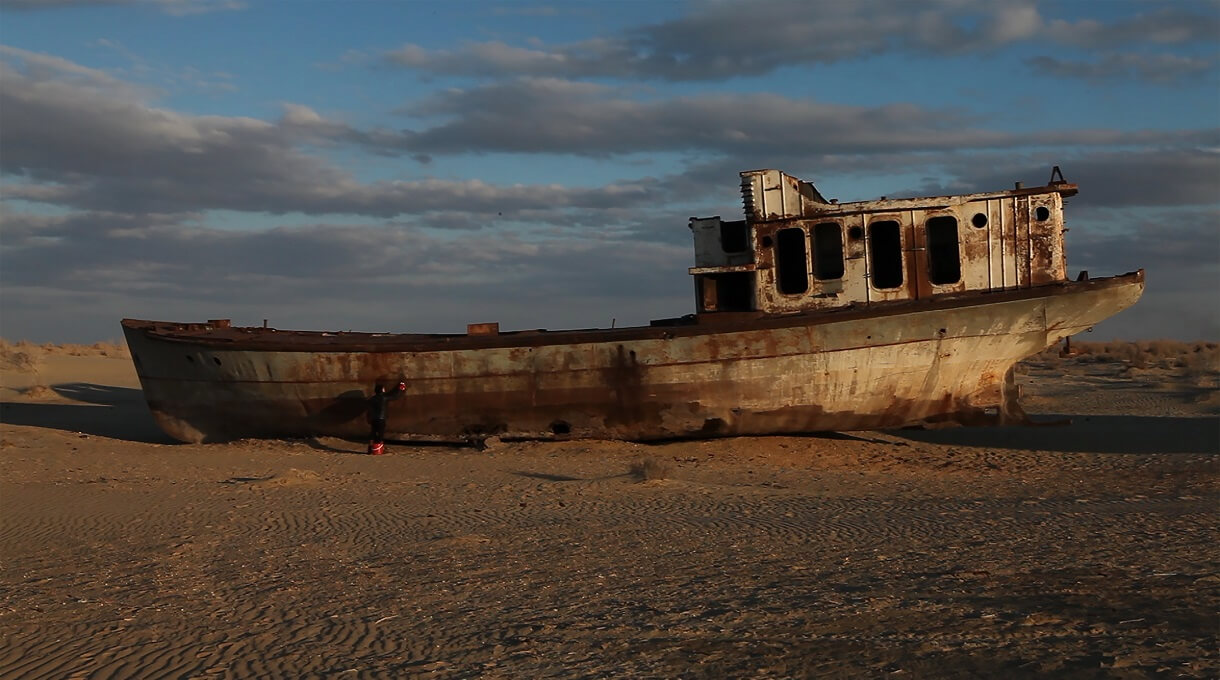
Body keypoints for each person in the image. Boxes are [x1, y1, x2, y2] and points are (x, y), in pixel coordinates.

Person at [367, 380, 407, 455]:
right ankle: (378, 450)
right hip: (381, 419)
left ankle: (370, 449)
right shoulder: (383, 397)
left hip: (373, 419)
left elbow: (369, 410)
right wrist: (401, 388)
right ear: (382, 390)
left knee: (373, 433)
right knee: (380, 434)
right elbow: (394, 396)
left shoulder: (371, 399)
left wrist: (369, 418)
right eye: (383, 388)